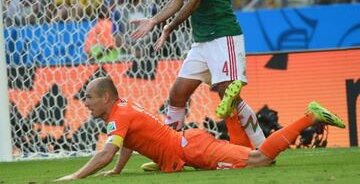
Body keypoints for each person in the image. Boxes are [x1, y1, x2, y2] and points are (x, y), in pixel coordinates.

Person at [130, 0, 266, 154]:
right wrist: (154, 20)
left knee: (228, 96)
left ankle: (263, 147)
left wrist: (169, 27)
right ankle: (170, 150)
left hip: (223, 35)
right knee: (177, 94)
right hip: (201, 40)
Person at [54, 76, 346, 181]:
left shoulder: (119, 116)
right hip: (188, 144)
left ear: (106, 97)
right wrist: (118, 171)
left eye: (89, 98)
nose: (86, 104)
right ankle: (230, 114)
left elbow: (106, 153)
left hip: (193, 149)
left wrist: (75, 176)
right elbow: (128, 142)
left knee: (262, 159)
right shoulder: (123, 110)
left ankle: (310, 116)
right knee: (246, 154)